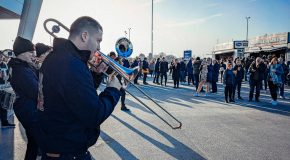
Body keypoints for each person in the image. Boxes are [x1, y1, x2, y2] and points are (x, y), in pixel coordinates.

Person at [38, 16, 122, 160]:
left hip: (60, 148)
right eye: (98, 40)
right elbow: (94, 114)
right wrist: (113, 90)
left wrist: (95, 75)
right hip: (68, 153)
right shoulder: (72, 64)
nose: (99, 47)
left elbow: (76, 97)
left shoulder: (59, 57)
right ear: (84, 36)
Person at [8, 36, 40, 160]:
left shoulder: (22, 66)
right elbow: (36, 92)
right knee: (34, 142)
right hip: (29, 110)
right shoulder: (21, 70)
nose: (34, 55)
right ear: (21, 53)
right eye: (31, 52)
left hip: (26, 109)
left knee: (33, 143)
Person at [0, 54, 15, 128]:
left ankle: (4, 122)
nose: (0, 58)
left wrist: (8, 77)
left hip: (4, 88)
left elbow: (9, 75)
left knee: (4, 106)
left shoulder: (5, 64)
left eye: (0, 56)